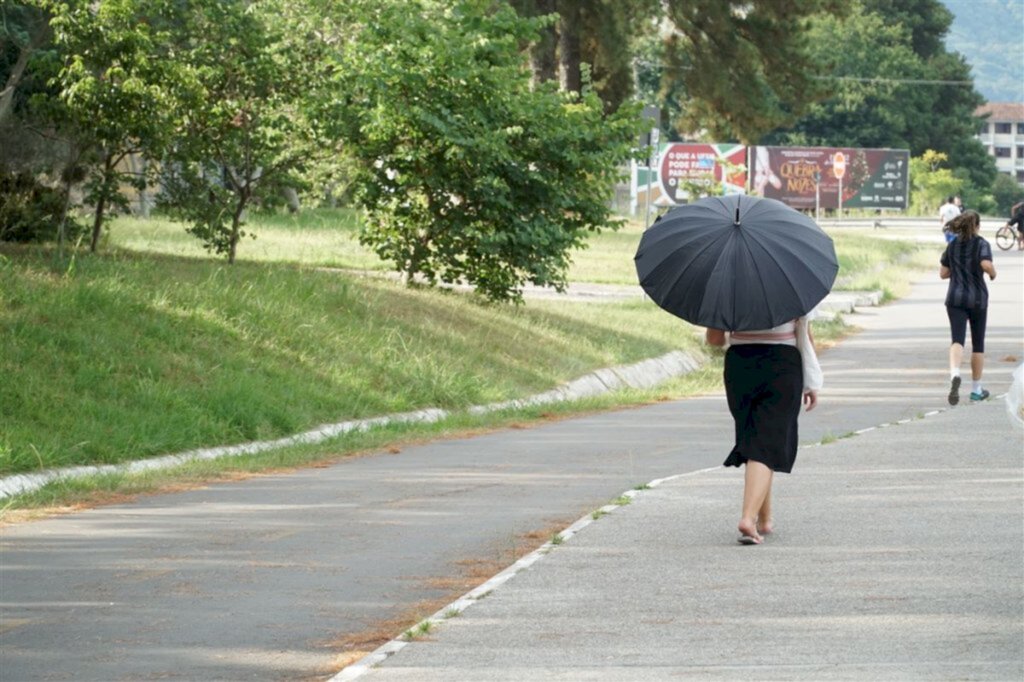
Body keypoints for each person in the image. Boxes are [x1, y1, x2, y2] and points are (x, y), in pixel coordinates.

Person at [705, 317, 819, 545]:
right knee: (767, 442)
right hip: (782, 364)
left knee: (755, 439)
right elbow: (804, 334)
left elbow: (715, 339)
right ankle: (748, 518)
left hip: (740, 366)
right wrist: (812, 381)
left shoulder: (727, 288)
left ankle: (764, 519)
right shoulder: (791, 285)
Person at [941, 210, 996, 405]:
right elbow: (986, 264)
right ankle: (976, 390)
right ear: (977, 226)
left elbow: (943, 273)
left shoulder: (953, 245)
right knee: (978, 343)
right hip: (977, 299)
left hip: (955, 298)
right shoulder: (982, 243)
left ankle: (955, 373)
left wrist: (958, 268)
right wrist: (992, 274)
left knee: (957, 339)